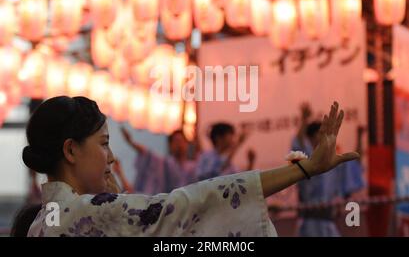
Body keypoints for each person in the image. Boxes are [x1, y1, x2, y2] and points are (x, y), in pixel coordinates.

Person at [20, 96, 358, 237]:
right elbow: (189, 203)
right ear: (71, 150)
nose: (111, 157)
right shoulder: (83, 211)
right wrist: (305, 169)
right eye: (104, 144)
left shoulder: (41, 222)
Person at [291, 103, 365, 237]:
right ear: (311, 137)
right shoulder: (307, 158)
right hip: (309, 225)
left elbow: (354, 164)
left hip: (328, 224)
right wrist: (304, 120)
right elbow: (298, 144)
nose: (324, 137)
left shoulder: (333, 162)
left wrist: (359, 136)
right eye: (320, 134)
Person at [121, 128, 197, 194]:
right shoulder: (166, 164)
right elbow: (147, 154)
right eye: (176, 141)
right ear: (170, 145)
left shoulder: (193, 167)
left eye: (182, 141)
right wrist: (131, 142)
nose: (179, 145)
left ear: (187, 144)